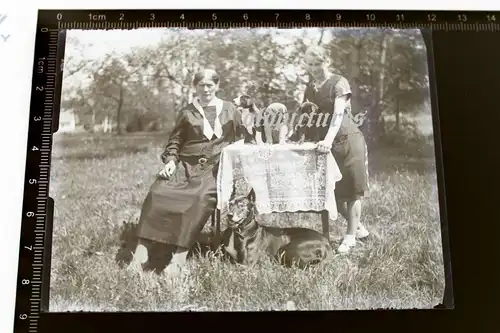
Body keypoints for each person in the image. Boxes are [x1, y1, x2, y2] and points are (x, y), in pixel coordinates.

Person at [127, 69, 243, 276]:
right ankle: (141, 254)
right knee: (158, 193)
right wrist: (171, 161)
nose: (206, 89)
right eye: (201, 85)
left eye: (210, 85)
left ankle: (178, 259)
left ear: (217, 86)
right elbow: (175, 141)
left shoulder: (230, 110)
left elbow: (242, 138)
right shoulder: (188, 111)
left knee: (199, 198)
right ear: (195, 87)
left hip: (216, 167)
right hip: (185, 165)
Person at [302, 45, 370, 254]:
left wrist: (328, 140)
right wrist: (301, 137)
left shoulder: (339, 83)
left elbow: (338, 114)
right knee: (333, 192)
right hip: (325, 145)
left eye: (317, 63)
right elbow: (308, 115)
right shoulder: (310, 86)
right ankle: (358, 228)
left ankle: (350, 238)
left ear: (326, 62)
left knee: (351, 191)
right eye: (310, 64)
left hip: (347, 140)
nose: (314, 68)